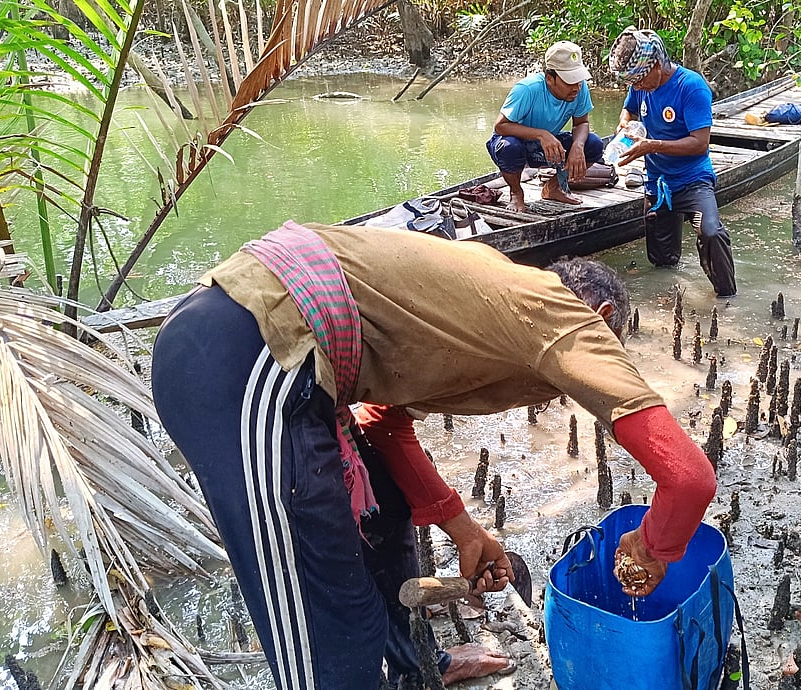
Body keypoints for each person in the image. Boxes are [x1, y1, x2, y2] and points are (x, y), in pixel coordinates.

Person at [151, 221, 717, 689]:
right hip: (255, 349)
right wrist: (653, 546)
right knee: (333, 625)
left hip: (276, 356)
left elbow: (383, 418)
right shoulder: (561, 314)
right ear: (605, 320)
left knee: (385, 511)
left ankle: (417, 668)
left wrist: (465, 531)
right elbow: (689, 478)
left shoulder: (491, 295)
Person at [607, 27, 736, 298]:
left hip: (692, 181)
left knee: (711, 232)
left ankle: (727, 299)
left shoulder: (691, 87)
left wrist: (652, 146)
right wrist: (626, 126)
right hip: (657, 183)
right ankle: (667, 298)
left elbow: (700, 143)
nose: (637, 87)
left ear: (657, 65)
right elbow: (628, 110)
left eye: (640, 81)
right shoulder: (639, 86)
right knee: (661, 262)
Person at [486, 41, 605, 213]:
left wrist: (578, 147)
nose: (576, 88)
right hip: (513, 142)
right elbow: (500, 126)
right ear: (550, 79)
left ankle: (554, 187)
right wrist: (541, 134)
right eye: (569, 81)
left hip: (547, 145)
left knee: (593, 145)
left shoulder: (580, 89)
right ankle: (516, 193)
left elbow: (582, 123)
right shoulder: (527, 89)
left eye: (578, 81)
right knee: (509, 147)